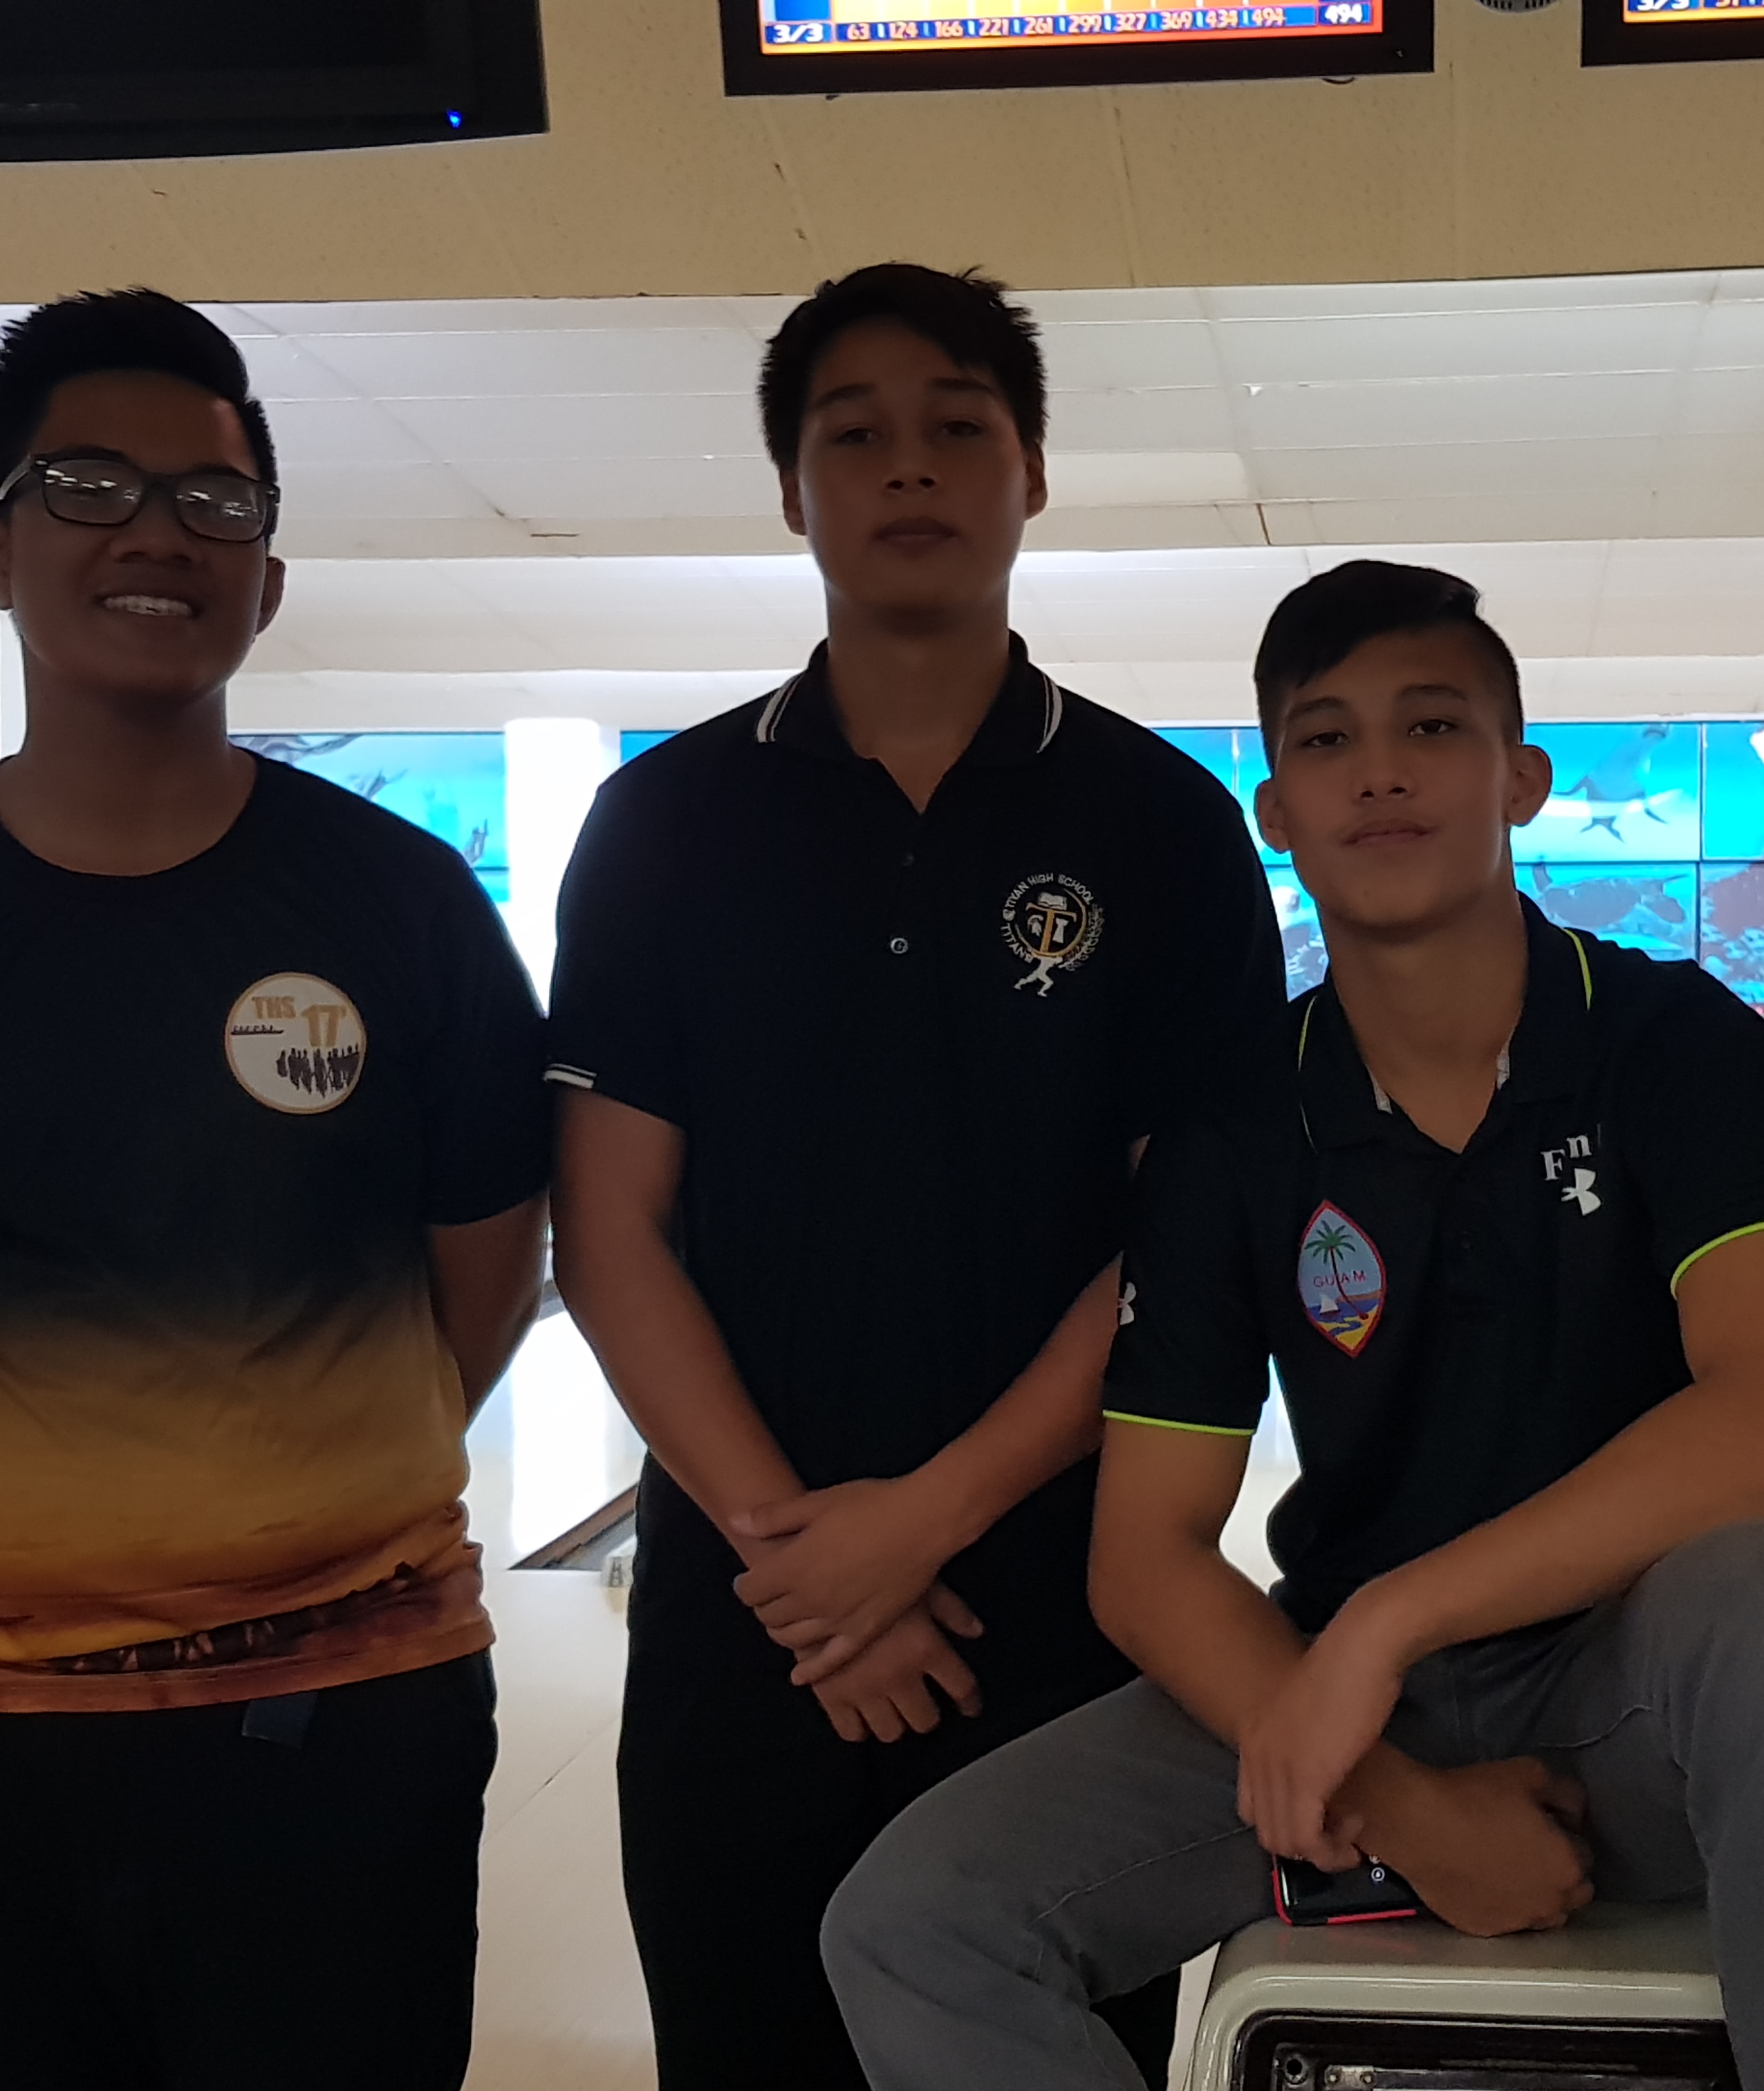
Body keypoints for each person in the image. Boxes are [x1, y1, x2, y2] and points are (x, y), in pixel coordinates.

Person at [821, 559, 1764, 2091]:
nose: (1378, 770)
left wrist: (1387, 1625)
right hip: (1348, 1708)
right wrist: (1398, 1802)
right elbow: (1146, 1556)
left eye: (1431, 726)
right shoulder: (1236, 1128)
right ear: (1277, 812)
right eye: (1326, 739)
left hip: (1638, 1680)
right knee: (918, 1922)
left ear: (1521, 780)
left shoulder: (1673, 1045)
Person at [0, 290, 550, 2090]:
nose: (155, 534)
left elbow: (485, 1276)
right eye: (89, 486)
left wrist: (287, 1504)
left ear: (267, 580)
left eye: (215, 502)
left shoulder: (404, 907)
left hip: (339, 1723)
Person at [548, 263, 1281, 2089]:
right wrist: (804, 1564)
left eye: (960, 424)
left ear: (1032, 474)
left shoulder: (1160, 825)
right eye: (854, 433)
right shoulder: (667, 823)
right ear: (792, 490)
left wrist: (924, 1522)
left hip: (1064, 1618)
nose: (910, 466)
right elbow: (610, 1228)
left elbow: (1183, 1250)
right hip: (746, 1628)